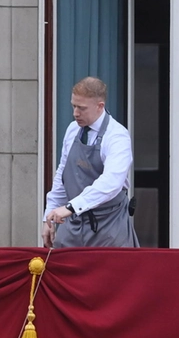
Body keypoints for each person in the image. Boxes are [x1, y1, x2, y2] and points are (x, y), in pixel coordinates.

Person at [43, 77, 138, 248]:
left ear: (100, 106)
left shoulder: (117, 136)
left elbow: (111, 182)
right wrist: (48, 217)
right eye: (74, 106)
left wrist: (71, 207)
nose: (75, 113)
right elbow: (62, 176)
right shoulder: (72, 130)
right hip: (72, 224)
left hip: (109, 226)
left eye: (82, 108)